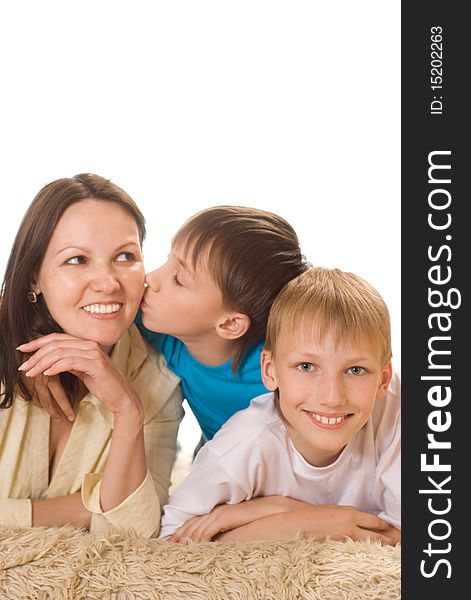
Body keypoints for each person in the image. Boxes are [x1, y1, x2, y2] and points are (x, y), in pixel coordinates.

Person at [159, 267, 401, 545]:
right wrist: (287, 516)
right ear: (270, 370)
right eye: (306, 366)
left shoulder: (396, 414)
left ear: (383, 379)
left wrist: (300, 518)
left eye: (356, 370)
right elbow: (173, 543)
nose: (332, 397)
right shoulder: (243, 444)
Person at [0, 174, 183, 537]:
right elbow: (107, 516)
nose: (108, 282)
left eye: (125, 256)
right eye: (77, 260)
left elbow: (134, 531)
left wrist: (128, 411)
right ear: (34, 277)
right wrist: (86, 508)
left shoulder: (158, 382)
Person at [137, 205, 309, 444]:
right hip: (213, 452)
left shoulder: (281, 374)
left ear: (229, 324)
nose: (151, 278)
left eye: (178, 279)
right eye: (169, 260)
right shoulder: (163, 331)